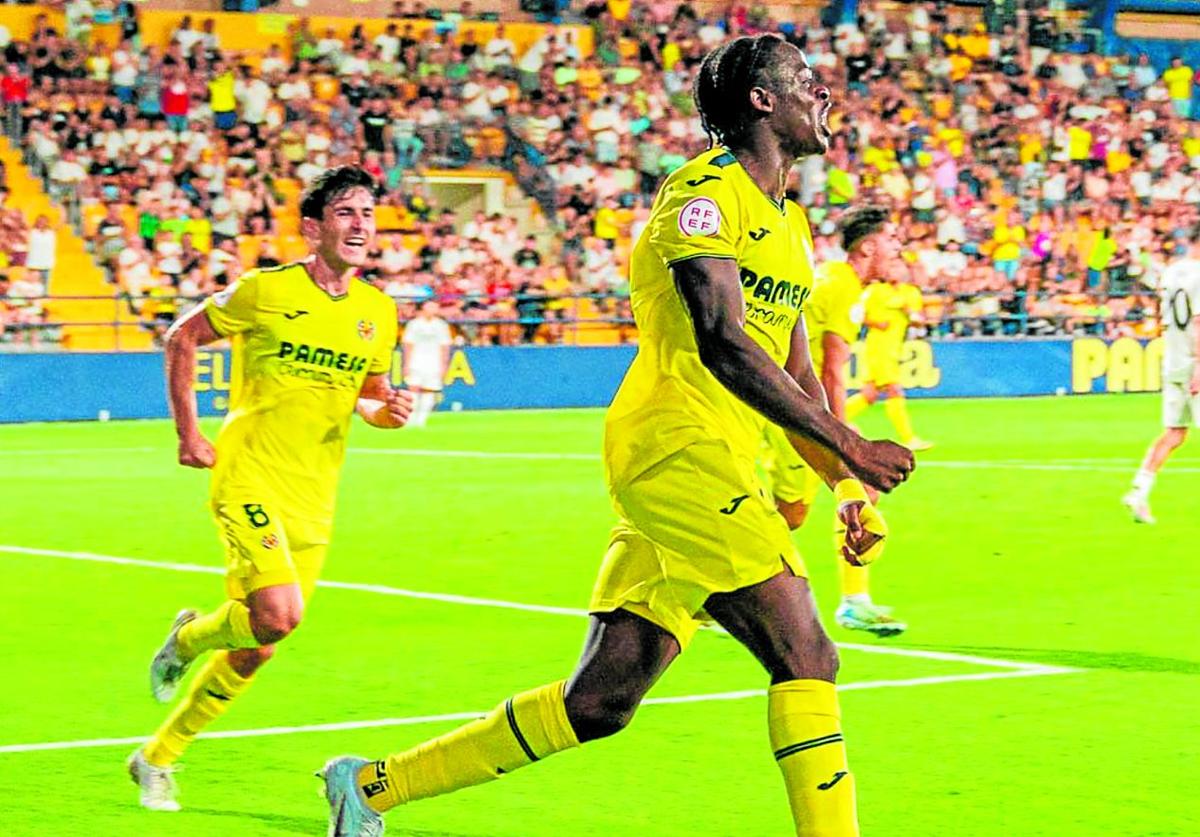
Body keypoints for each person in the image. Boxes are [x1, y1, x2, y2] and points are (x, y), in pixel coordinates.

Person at [318, 34, 914, 837]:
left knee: (601, 701)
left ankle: (372, 786)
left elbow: (798, 372)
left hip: (712, 460)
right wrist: (852, 445)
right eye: (805, 81)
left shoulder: (794, 224)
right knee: (806, 652)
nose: (824, 94)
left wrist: (844, 477)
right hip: (676, 449)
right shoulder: (701, 196)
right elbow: (723, 339)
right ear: (762, 102)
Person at [126, 167, 413, 811]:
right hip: (249, 473)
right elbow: (183, 337)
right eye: (345, 212)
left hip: (316, 493)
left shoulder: (377, 312)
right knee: (280, 614)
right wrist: (188, 433)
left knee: (259, 645)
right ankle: (189, 639)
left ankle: (156, 758)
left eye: (368, 213)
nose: (361, 224)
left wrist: (383, 412)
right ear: (312, 229)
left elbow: (366, 395)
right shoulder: (266, 290)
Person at [760, 206, 908, 637]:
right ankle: (708, 583)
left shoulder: (834, 279)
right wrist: (842, 438)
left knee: (794, 512)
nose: (898, 247)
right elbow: (830, 368)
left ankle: (854, 600)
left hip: (789, 402)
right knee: (798, 511)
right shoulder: (843, 288)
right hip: (793, 407)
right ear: (868, 246)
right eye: (892, 239)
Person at [1122, 244, 1200, 523]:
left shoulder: (1170, 272)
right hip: (1193, 362)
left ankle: (1138, 492)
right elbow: (1199, 321)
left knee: (1174, 434)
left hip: (1173, 360)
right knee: (1174, 433)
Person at [843, 262, 934, 450]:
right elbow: (857, 314)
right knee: (894, 390)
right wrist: (875, 323)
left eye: (899, 267)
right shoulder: (874, 291)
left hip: (895, 348)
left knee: (869, 395)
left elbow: (919, 321)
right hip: (878, 347)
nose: (895, 270)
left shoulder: (911, 293)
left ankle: (830, 421)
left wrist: (909, 312)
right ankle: (909, 439)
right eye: (891, 267)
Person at [402, 299, 452, 427]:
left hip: (434, 362)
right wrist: (406, 364)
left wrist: (444, 365)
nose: (432, 309)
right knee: (413, 388)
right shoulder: (414, 324)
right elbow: (408, 344)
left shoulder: (441, 325)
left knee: (429, 390)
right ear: (423, 308)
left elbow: (445, 346)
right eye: (430, 306)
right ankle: (410, 418)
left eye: (435, 307)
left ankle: (421, 420)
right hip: (416, 360)